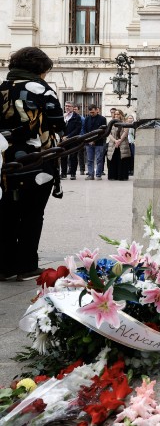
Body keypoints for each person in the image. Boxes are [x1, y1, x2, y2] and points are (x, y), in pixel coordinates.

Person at [0, 46, 65, 281]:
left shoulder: (2, 88)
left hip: (5, 163)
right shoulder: (42, 89)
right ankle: (26, 265)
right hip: (36, 162)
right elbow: (58, 123)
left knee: (6, 213)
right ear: (40, 69)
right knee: (32, 214)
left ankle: (5, 266)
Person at [83, 104, 107, 180]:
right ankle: (90, 174)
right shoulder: (87, 119)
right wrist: (89, 140)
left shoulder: (102, 119)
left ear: (97, 110)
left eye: (93, 112)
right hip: (88, 142)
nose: (91, 114)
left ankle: (98, 175)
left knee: (99, 159)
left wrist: (94, 140)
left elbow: (103, 132)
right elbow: (85, 130)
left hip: (99, 143)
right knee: (89, 160)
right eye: (90, 112)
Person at [106, 110, 131, 181]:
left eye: (118, 114)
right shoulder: (110, 123)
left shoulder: (125, 123)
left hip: (122, 144)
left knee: (122, 159)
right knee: (113, 159)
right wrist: (115, 141)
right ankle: (113, 176)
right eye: (115, 114)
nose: (116, 115)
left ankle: (122, 176)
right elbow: (108, 133)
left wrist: (119, 140)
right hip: (113, 144)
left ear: (121, 115)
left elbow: (125, 132)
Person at [60, 100, 82, 180]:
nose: (67, 107)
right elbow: (58, 127)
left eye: (69, 106)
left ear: (73, 107)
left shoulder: (77, 117)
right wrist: (62, 136)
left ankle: (73, 173)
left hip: (73, 140)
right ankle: (63, 174)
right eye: (66, 106)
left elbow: (77, 129)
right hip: (63, 140)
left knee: (73, 157)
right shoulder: (62, 116)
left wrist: (68, 136)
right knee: (63, 157)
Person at [73, 104, 86, 175]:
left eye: (76, 109)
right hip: (73, 139)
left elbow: (83, 129)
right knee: (72, 154)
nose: (74, 111)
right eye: (74, 109)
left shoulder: (82, 119)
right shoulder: (71, 117)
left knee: (81, 155)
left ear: (79, 110)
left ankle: (82, 169)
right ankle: (71, 169)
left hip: (80, 138)